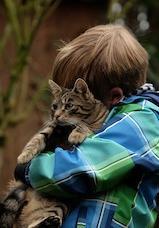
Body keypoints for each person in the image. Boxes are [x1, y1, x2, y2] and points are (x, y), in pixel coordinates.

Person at [15, 24, 159, 227]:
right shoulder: (117, 118)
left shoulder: (142, 122)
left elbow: (83, 170)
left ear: (114, 97)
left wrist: (30, 169)